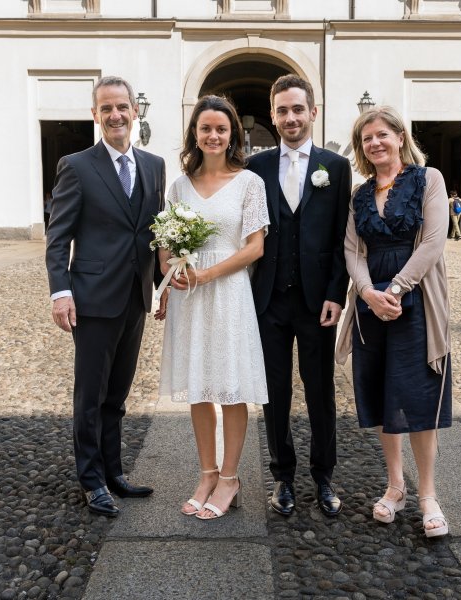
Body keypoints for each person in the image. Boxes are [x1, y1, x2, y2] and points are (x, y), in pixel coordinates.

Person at [46, 76, 165, 517]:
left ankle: (114, 471)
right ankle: (91, 480)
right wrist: (61, 293)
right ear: (95, 115)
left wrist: (164, 284)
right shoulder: (76, 166)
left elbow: (155, 232)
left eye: (123, 107)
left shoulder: (154, 166)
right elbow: (58, 237)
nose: (116, 115)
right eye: (106, 108)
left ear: (135, 111)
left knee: (117, 394)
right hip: (92, 298)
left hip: (135, 297)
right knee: (90, 396)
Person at [156, 95, 269, 520]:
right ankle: (206, 473)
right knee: (199, 384)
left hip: (227, 292)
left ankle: (230, 477)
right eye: (206, 128)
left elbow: (255, 247)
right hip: (188, 293)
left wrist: (207, 274)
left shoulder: (249, 183)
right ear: (195, 135)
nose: (214, 135)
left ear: (233, 135)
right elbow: (165, 240)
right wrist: (168, 278)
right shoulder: (179, 186)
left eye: (221, 129)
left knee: (230, 385)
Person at [341, 106, 452, 537]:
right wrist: (368, 292)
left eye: (381, 135)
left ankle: (428, 495)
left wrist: (398, 288)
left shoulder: (429, 180)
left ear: (400, 137)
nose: (375, 143)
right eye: (367, 138)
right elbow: (352, 249)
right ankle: (395, 486)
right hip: (372, 304)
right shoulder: (360, 194)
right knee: (383, 395)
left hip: (417, 299)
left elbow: (433, 241)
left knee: (418, 396)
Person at [247, 74, 351, 517]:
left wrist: (336, 294)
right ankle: (282, 477)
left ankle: (324, 476)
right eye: (282, 111)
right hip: (268, 299)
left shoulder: (337, 167)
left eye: (297, 109)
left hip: (317, 302)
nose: (290, 117)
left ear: (313, 112)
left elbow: (345, 238)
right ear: (273, 116)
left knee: (320, 391)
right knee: (274, 392)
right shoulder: (257, 168)